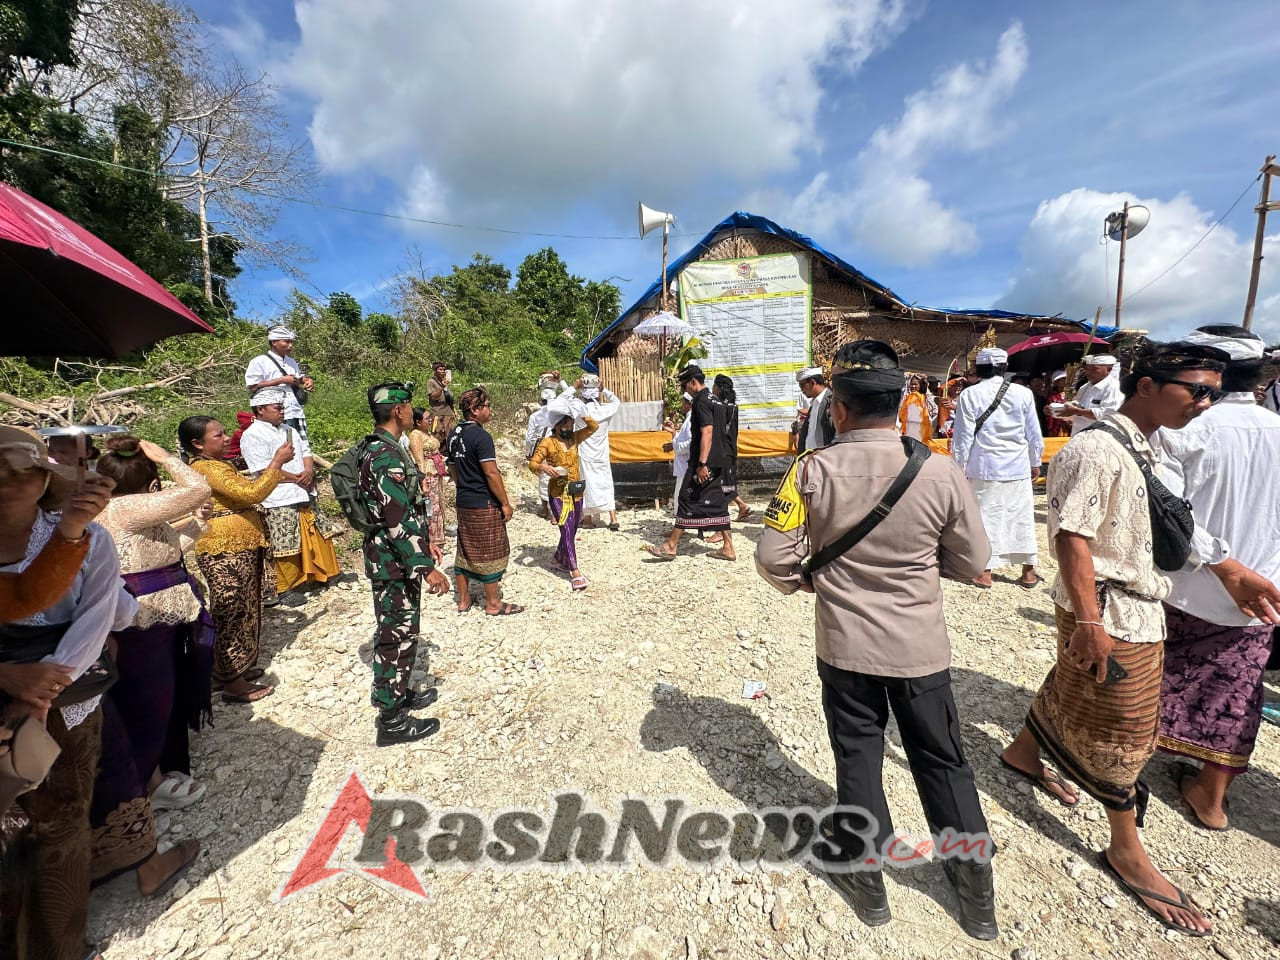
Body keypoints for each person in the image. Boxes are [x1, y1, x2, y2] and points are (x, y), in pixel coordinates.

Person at [1000, 340, 1280, 937]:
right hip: (1110, 611)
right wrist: (1090, 625)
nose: (1205, 403)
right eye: (1194, 390)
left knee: (1076, 686)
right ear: (1146, 384)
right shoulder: (1097, 447)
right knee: (1128, 730)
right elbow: (1071, 539)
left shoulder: (1150, 445)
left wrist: (1226, 567)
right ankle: (1125, 847)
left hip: (1140, 604)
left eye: (1212, 390)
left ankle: (1023, 753)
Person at [755, 341, 998, 940]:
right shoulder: (940, 469)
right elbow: (974, 560)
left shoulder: (808, 471)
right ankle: (975, 897)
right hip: (920, 649)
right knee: (943, 762)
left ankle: (869, 886)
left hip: (844, 646)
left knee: (857, 755)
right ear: (897, 404)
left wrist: (804, 579)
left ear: (836, 408)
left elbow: (771, 556)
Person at [0, 425, 136, 960]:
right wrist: (10, 678)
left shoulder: (86, 536)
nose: (11, 482)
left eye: (24, 469)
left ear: (44, 479)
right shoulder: (77, 534)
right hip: (29, 690)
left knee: (60, 825)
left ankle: (59, 945)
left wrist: (45, 685)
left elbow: (98, 614)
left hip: (66, 697)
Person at [1152, 326, 1280, 831]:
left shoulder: (1185, 431)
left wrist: (1222, 563)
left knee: (1153, 676)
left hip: (1189, 586)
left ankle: (1122, 764)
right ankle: (1210, 796)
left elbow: (1169, 514)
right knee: (1236, 691)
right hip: (1263, 593)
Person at [90, 436, 209, 895]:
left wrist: (194, 529)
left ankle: (153, 783)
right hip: (139, 623)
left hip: (151, 619)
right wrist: (169, 457)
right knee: (146, 712)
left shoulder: (125, 514)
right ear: (146, 482)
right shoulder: (124, 508)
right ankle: (133, 823)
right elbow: (198, 487)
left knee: (153, 708)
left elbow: (163, 549)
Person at [355, 382, 452, 746]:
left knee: (403, 631)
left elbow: (404, 512)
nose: (413, 410)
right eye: (409, 405)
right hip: (392, 561)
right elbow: (396, 519)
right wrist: (425, 566)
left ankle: (397, 693)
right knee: (395, 635)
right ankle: (391, 721)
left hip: (395, 557)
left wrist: (425, 545)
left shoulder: (384, 448)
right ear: (398, 411)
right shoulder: (385, 455)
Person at [181, 415, 295, 703]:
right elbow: (250, 492)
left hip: (239, 546)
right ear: (198, 444)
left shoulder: (219, 465)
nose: (226, 437)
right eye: (218, 435)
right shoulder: (206, 468)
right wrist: (276, 462)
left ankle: (231, 670)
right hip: (225, 549)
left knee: (246, 608)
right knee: (232, 612)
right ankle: (232, 681)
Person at [951, 347, 1043, 590]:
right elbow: (1033, 432)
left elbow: (962, 438)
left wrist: (957, 468)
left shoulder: (969, 395)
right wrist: (1036, 461)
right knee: (1022, 516)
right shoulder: (1023, 393)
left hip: (984, 465)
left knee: (985, 517)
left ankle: (985, 571)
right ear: (1004, 367)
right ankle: (1029, 572)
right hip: (1017, 464)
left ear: (979, 369)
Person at [240, 388, 340, 603]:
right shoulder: (252, 435)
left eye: (283, 407)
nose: (282, 412)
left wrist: (308, 471)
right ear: (261, 409)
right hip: (279, 495)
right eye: (277, 408)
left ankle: (327, 574)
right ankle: (286, 588)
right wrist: (296, 478)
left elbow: (306, 452)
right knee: (285, 541)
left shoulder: (289, 430)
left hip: (303, 490)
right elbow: (263, 469)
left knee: (319, 531)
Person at [645, 365, 735, 561]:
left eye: (685, 386)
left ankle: (671, 546)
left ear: (694, 382)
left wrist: (702, 463)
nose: (685, 390)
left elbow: (707, 431)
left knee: (686, 499)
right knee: (718, 503)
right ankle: (728, 547)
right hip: (719, 459)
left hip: (704, 462)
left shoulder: (701, 401)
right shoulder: (716, 400)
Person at [446, 387, 522, 615]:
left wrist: (464, 485)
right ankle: (493, 603)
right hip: (483, 501)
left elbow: (452, 469)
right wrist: (505, 503)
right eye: (487, 406)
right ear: (475, 410)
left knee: (465, 547)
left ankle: (464, 600)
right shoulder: (481, 436)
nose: (490, 410)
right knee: (491, 548)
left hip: (463, 500)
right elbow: (491, 473)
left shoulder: (454, 434)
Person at [528, 404, 598, 590]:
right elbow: (533, 463)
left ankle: (557, 559)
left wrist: (582, 413)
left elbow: (593, 428)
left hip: (576, 491)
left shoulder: (575, 438)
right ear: (557, 426)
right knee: (566, 529)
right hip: (558, 493)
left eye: (571, 425)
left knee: (572, 529)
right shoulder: (548, 443)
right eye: (566, 426)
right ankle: (575, 571)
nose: (569, 429)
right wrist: (544, 467)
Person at [245, 325, 313, 442]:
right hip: (276, 414)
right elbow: (253, 386)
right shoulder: (259, 361)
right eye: (286, 342)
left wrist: (307, 380)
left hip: (295, 411)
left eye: (291, 342)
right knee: (282, 446)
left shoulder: (291, 362)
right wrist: (280, 380)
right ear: (274, 342)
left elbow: (298, 378)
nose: (290, 345)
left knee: (301, 445)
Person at [571, 374, 621, 530]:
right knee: (605, 482)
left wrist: (574, 386)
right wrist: (604, 389)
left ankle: (587, 519)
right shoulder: (606, 410)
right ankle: (613, 518)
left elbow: (565, 401)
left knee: (587, 484)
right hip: (601, 453)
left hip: (585, 453)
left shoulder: (580, 410)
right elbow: (616, 401)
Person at [712, 374, 751, 522]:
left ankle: (723, 521)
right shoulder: (733, 406)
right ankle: (741, 506)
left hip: (723, 450)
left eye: (715, 387)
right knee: (725, 482)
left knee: (723, 484)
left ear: (720, 389)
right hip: (729, 450)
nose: (712, 389)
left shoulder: (721, 407)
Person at [408, 407, 449, 549]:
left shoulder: (427, 433)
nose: (430, 420)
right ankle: (431, 540)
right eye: (427, 418)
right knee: (430, 507)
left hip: (436, 473)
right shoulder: (415, 435)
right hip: (428, 475)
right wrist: (423, 478)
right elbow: (419, 459)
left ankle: (439, 537)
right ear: (418, 422)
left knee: (438, 505)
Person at [1061, 354, 1122, 435]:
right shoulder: (1084, 387)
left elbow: (1108, 414)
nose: (1089, 373)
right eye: (1087, 369)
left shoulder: (1114, 387)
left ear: (1109, 369)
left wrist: (1077, 411)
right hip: (1079, 436)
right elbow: (1074, 409)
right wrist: (1056, 410)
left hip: (1099, 438)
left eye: (1094, 369)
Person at [662, 396, 693, 516]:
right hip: (683, 467)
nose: (681, 405)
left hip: (686, 466)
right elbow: (682, 440)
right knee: (680, 498)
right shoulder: (688, 419)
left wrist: (673, 447)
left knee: (681, 499)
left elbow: (690, 444)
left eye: (683, 402)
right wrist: (674, 433)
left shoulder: (691, 420)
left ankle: (680, 529)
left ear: (688, 404)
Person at [795, 366, 834, 454]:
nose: (801, 390)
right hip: (811, 458)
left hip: (825, 458)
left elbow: (837, 434)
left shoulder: (831, 401)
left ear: (812, 382)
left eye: (802, 385)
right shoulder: (814, 403)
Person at [897, 375, 935, 443]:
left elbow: (933, 411)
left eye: (915, 384)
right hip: (909, 428)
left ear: (920, 385)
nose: (913, 386)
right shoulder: (907, 397)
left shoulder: (925, 398)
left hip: (920, 428)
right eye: (911, 384)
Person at [426, 362, 456, 444]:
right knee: (437, 436)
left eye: (444, 369)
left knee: (451, 435)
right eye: (440, 369)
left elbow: (449, 397)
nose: (442, 371)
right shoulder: (431, 382)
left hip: (448, 413)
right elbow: (433, 396)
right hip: (437, 414)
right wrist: (441, 387)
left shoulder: (444, 382)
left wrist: (454, 410)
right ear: (435, 370)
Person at [1044, 370, 1071, 436]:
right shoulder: (1052, 397)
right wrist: (1051, 429)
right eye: (1062, 379)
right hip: (1057, 428)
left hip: (1071, 427)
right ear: (1056, 382)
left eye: (1066, 379)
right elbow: (1049, 415)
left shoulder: (1073, 394)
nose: (1064, 381)